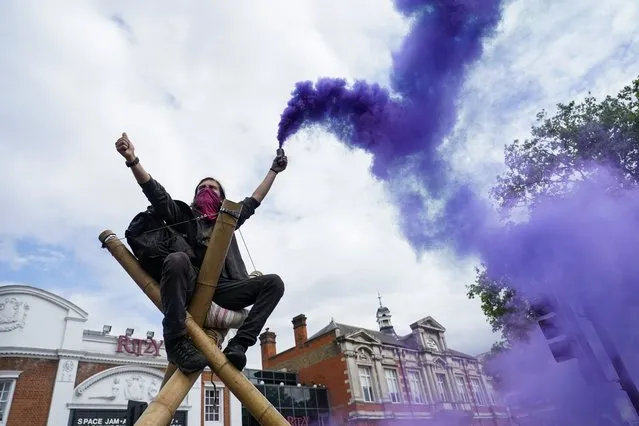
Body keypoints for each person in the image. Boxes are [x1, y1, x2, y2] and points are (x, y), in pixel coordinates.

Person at [115, 132, 287, 373]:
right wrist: (132, 159)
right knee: (176, 259)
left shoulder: (228, 221)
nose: (207, 190)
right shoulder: (183, 216)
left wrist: (273, 171)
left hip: (226, 289)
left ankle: (239, 344)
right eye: (202, 187)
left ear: (222, 198)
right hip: (192, 285)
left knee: (274, 283)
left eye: (213, 188)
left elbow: (254, 199)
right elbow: (156, 193)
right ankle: (175, 340)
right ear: (195, 195)